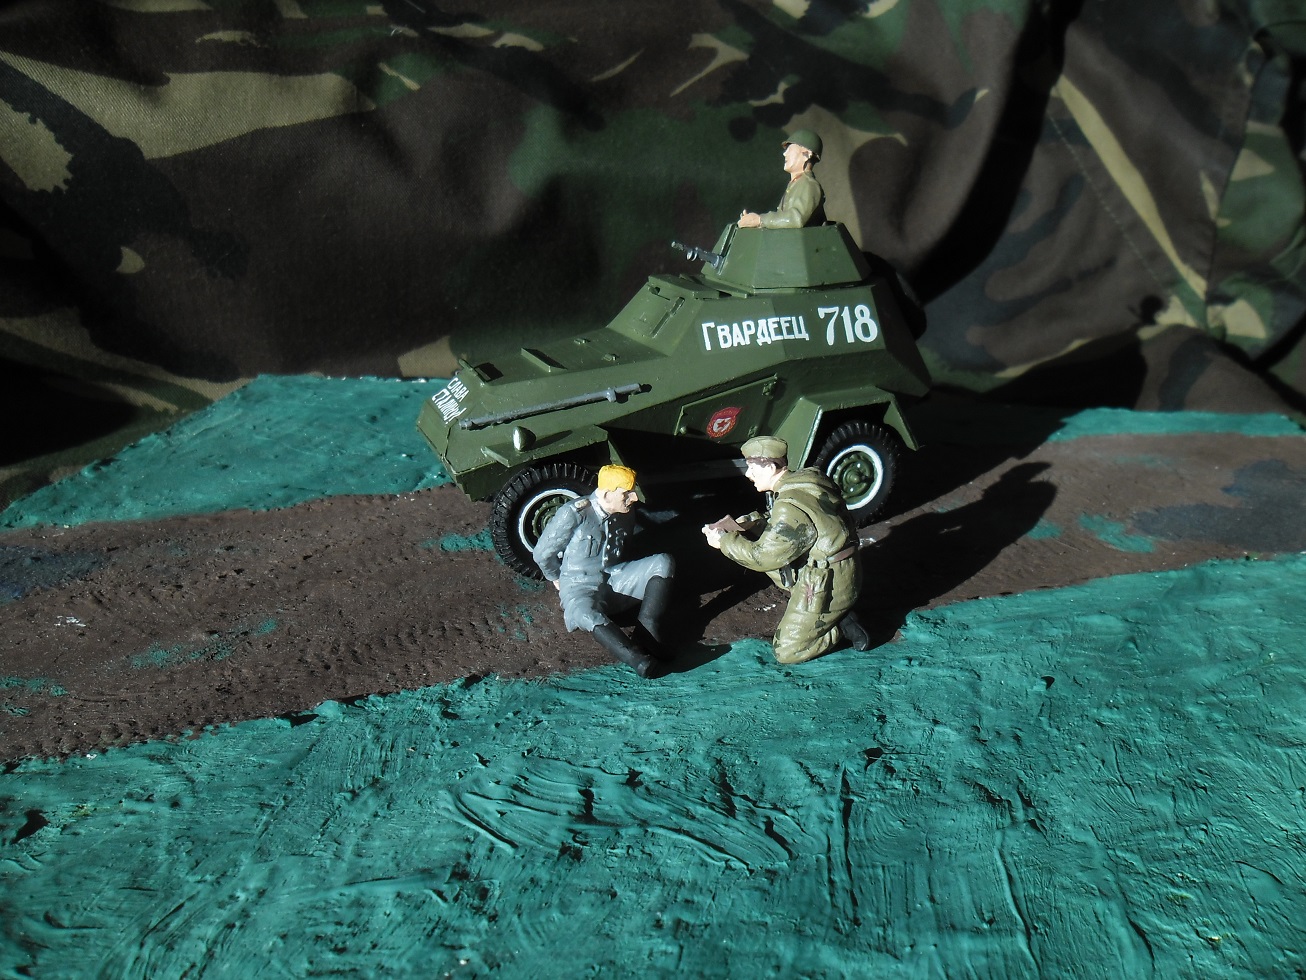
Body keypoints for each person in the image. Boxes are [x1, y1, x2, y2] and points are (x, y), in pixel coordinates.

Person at [702, 435, 872, 664]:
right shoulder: (803, 480)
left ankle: (837, 624)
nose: (748, 474)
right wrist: (746, 523)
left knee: (787, 651)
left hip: (828, 581)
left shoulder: (790, 504)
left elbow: (762, 557)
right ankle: (822, 611)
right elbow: (781, 522)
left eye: (752, 468)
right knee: (760, 538)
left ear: (770, 467)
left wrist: (723, 541)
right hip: (837, 565)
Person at [531, 464, 675, 678]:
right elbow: (542, 554)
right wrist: (555, 577)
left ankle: (647, 631)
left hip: (615, 576)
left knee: (663, 562)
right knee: (585, 613)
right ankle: (634, 657)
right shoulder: (574, 514)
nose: (634, 498)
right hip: (580, 585)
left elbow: (625, 544)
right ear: (607, 495)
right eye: (626, 494)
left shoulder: (625, 512)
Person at [737, 129, 827, 229]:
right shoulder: (795, 184)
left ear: (806, 155)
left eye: (790, 150)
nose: (785, 154)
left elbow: (796, 219)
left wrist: (759, 220)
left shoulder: (809, 185)